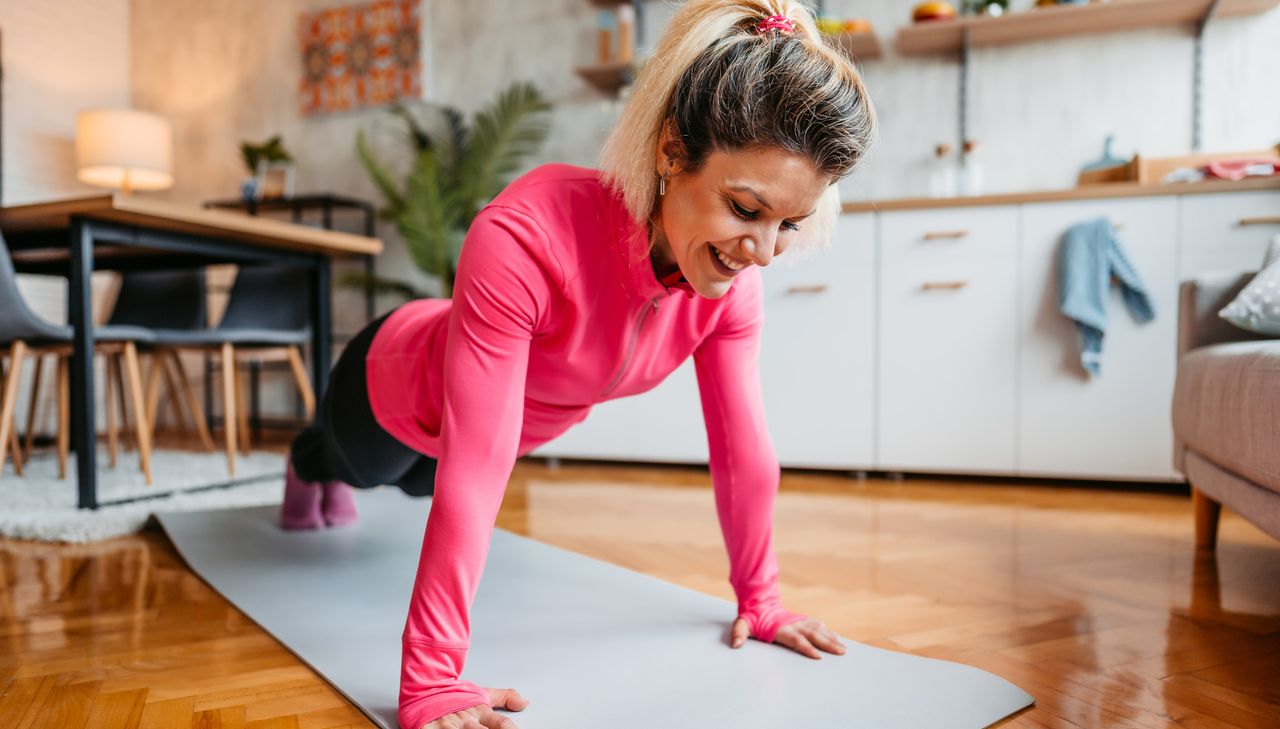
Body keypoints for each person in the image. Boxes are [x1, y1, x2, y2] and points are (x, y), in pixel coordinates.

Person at [279, 0, 876, 726]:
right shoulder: (528, 234)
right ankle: (303, 461)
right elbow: (479, 459)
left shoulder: (727, 288)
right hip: (390, 385)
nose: (761, 251)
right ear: (669, 150)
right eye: (745, 208)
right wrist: (431, 679)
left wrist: (762, 597)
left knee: (415, 488)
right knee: (360, 468)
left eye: (788, 224)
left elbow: (743, 448)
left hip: (492, 435)